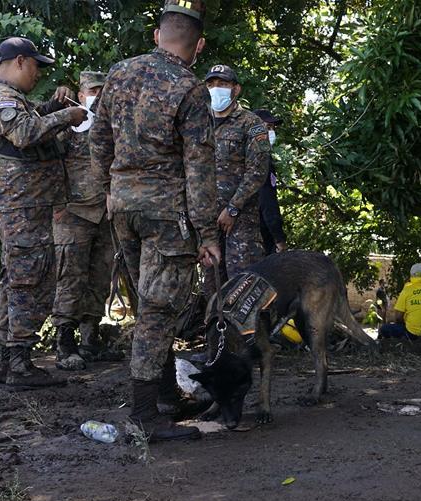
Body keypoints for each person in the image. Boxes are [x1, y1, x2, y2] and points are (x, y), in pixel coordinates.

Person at [89, 0, 219, 441]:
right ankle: (145, 414)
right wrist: (206, 232)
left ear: (155, 35)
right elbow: (199, 167)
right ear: (197, 46)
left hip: (122, 205)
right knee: (160, 309)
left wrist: (109, 188)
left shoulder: (119, 73)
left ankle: (166, 394)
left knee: (148, 302)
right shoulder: (189, 87)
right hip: (167, 213)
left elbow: (98, 138)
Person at [0, 37, 88, 387]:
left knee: (20, 277)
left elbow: (29, 118)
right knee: (28, 278)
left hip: (30, 206)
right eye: (36, 66)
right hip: (22, 208)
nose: (38, 73)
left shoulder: (13, 98)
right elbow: (24, 133)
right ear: (20, 61)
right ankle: (20, 363)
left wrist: (52, 106)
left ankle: (12, 360)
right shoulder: (0, 97)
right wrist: (66, 115)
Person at [52, 70, 121, 370]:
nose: (98, 96)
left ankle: (90, 339)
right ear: (80, 95)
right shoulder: (68, 124)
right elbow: (50, 164)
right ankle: (64, 342)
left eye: (102, 90)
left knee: (100, 276)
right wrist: (56, 203)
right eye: (92, 91)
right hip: (72, 213)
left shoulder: (113, 125)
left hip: (106, 213)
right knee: (70, 277)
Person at [205, 64, 271, 287]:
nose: (216, 88)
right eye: (211, 84)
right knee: (211, 286)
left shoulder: (252, 124)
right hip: (207, 222)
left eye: (223, 84)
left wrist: (233, 208)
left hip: (240, 223)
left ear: (236, 89)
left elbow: (257, 172)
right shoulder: (198, 123)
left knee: (243, 286)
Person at [378, 263, 421, 340]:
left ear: (411, 275)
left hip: (413, 334)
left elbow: (398, 317)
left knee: (384, 328)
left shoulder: (407, 290)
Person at [253, 108, 287, 255]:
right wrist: (279, 239)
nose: (271, 133)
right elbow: (268, 204)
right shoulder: (261, 161)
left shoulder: (238, 158)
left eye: (272, 128)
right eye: (267, 128)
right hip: (257, 240)